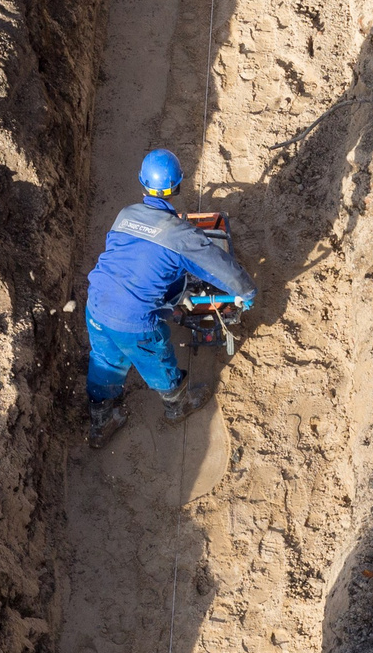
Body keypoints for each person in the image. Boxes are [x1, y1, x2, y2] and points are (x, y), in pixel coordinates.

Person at [82, 148, 261, 449]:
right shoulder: (181, 236)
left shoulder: (125, 215)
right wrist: (247, 291)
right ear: (177, 186)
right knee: (157, 360)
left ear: (142, 184)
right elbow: (218, 266)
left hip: (97, 305)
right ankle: (177, 406)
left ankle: (101, 421)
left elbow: (124, 256)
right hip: (135, 322)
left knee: (105, 360)